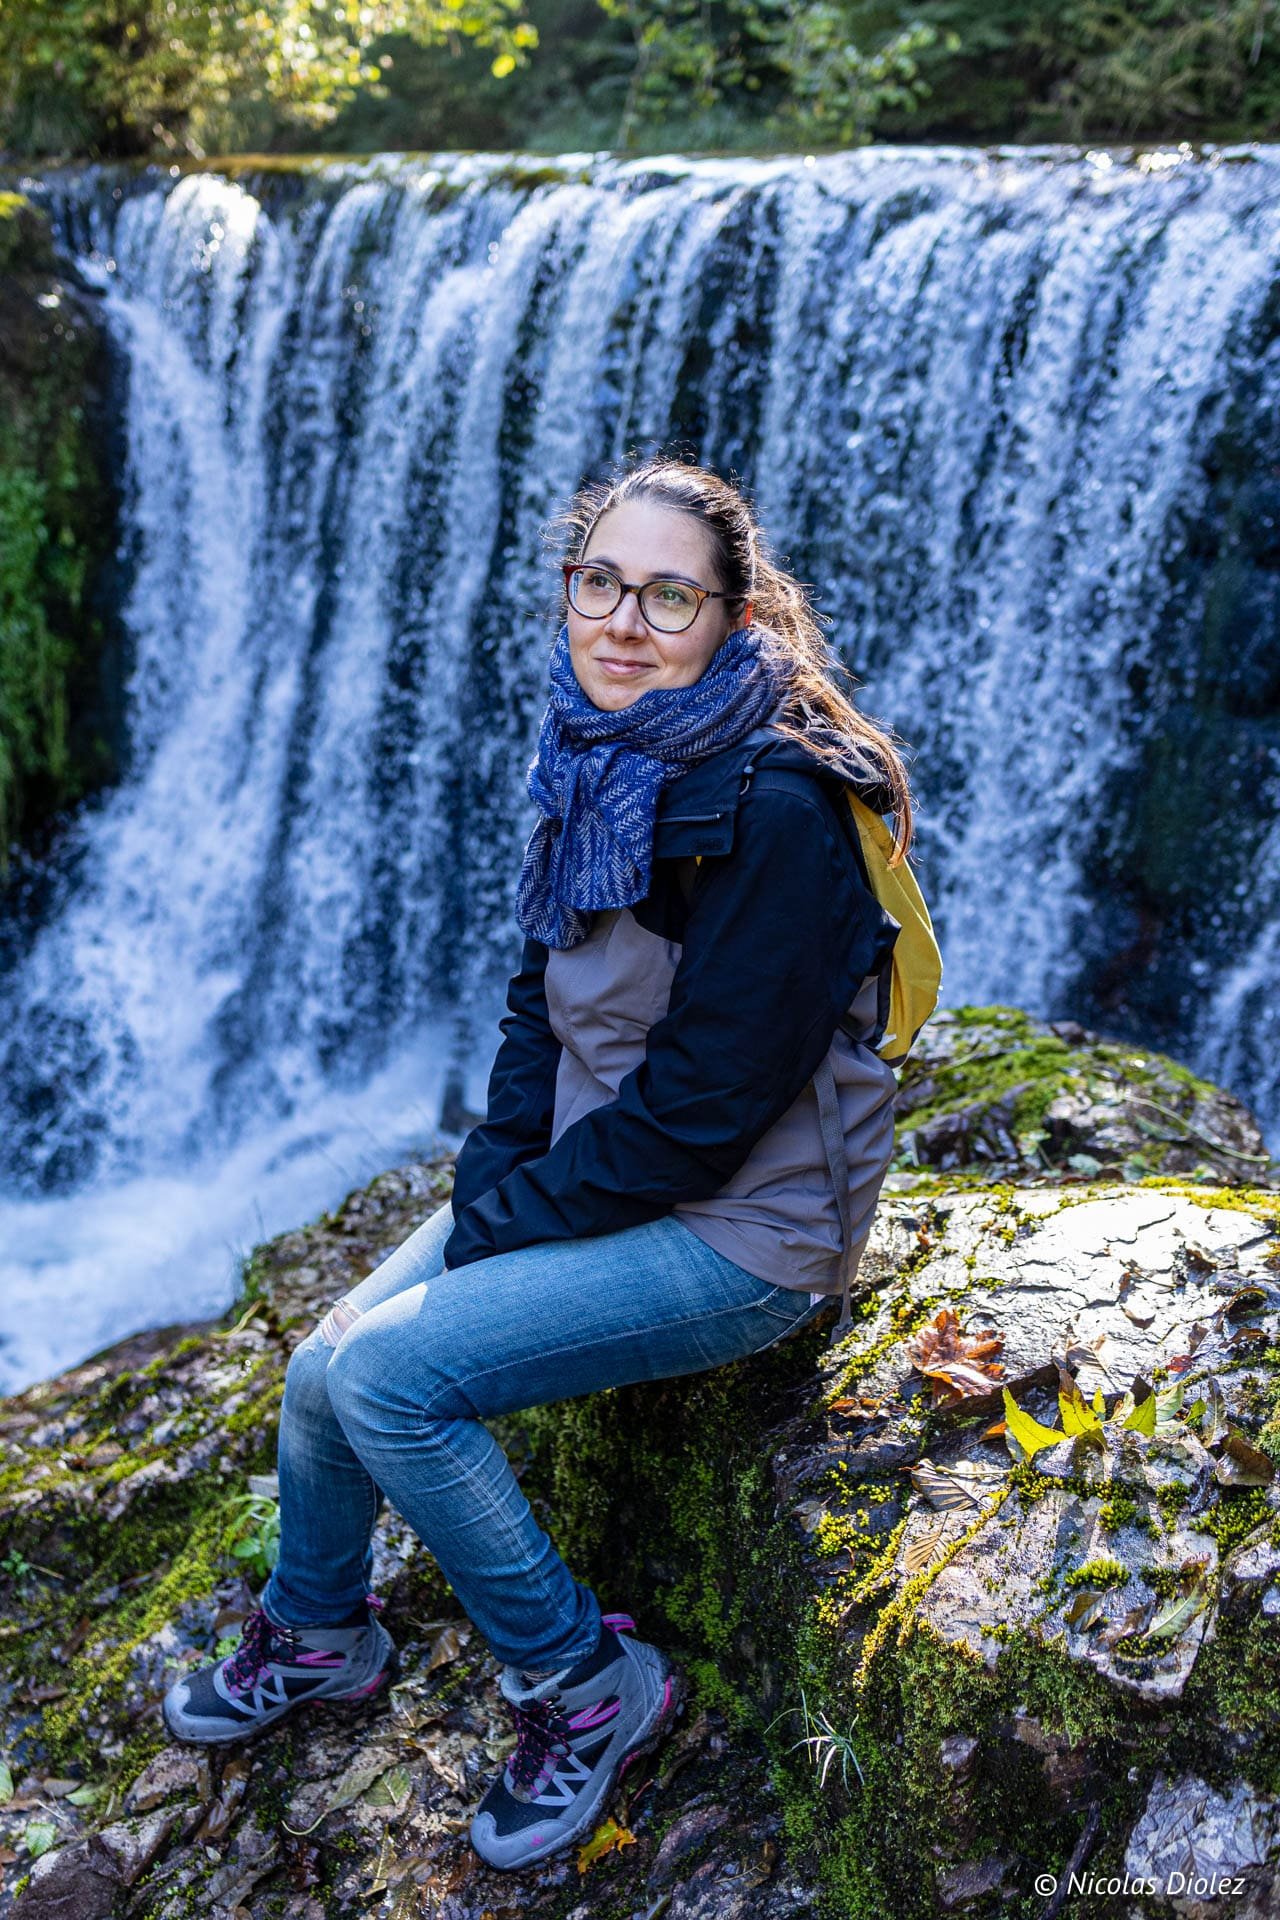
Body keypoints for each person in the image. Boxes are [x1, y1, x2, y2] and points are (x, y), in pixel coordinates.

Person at [163, 455, 915, 1874]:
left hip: (746, 1230)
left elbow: (704, 1114)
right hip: (601, 1169)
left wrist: (516, 1224)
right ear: (572, 590)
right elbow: (536, 1009)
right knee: (328, 1359)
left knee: (393, 1375)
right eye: (601, 584)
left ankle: (588, 1688)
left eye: (669, 596)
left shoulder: (779, 810)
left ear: (735, 619)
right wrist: (490, 1189)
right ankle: (320, 1627)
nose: (626, 621)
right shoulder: (600, 753)